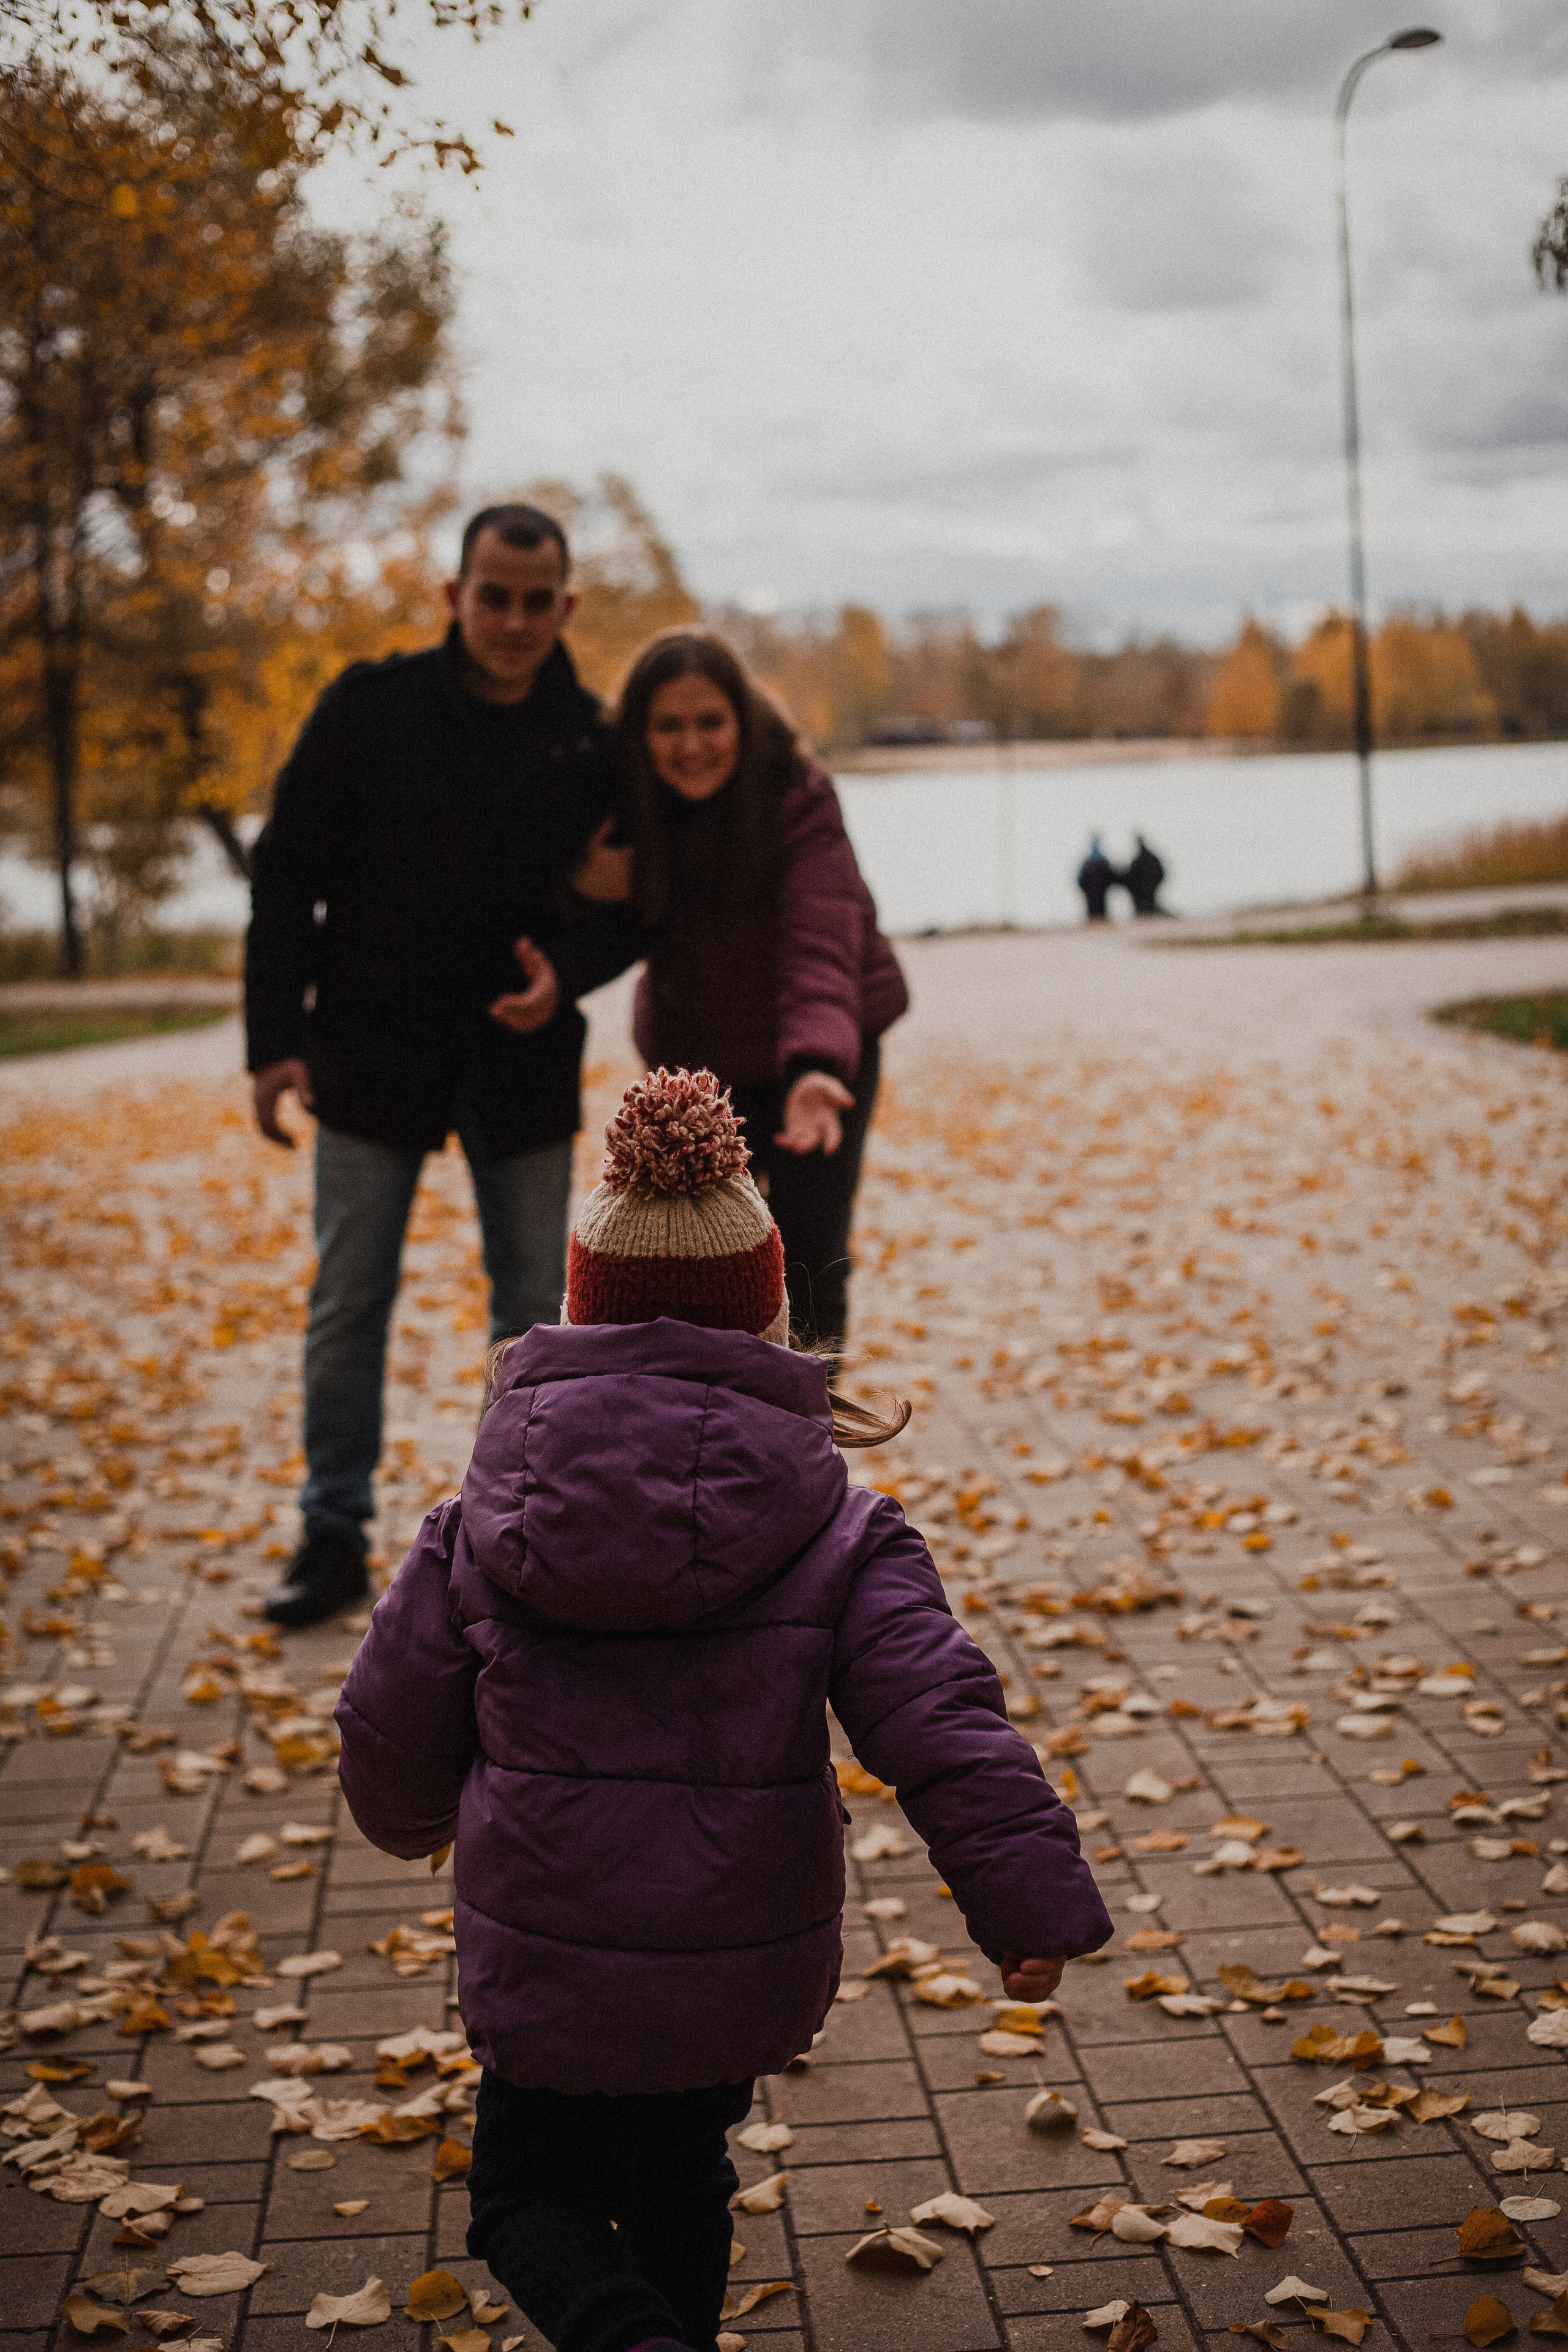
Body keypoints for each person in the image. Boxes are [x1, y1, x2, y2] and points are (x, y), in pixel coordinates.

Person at [335, 1067, 1114, 2352]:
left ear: (583, 1305)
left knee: (524, 2198)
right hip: (733, 1956)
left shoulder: (481, 1521)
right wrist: (1027, 1903)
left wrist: (409, 1817)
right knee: (681, 2177)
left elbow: (388, 1720)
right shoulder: (841, 1529)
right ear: (767, 1312)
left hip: (548, 1955)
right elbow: (942, 1720)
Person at [244, 502, 636, 1629]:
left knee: (531, 1316)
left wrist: (564, 973)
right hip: (368, 1052)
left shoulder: (596, 744)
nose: (513, 620)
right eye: (492, 595)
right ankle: (330, 1531)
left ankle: (525, 1533)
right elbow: (284, 874)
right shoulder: (369, 711)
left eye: (535, 601)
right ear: (454, 596)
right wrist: (274, 1042)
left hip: (519, 1062)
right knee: (348, 1300)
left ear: (565, 608)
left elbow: (633, 904)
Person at [611, 627, 908, 1349]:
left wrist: (813, 1066)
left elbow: (822, 939)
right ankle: (715, 1437)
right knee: (696, 1268)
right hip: (698, 1069)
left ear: (742, 719)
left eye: (710, 722)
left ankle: (805, 1446)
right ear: (639, 733)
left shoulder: (796, 793)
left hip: (816, 1064)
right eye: (668, 726)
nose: (691, 745)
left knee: (807, 1269)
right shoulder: (623, 807)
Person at [1125, 832, 1169, 916]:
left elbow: (1131, 878)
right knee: (1149, 911)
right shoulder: (1151, 858)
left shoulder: (1138, 861)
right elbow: (1161, 874)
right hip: (1149, 891)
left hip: (1144, 893)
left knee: (1145, 913)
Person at [1076, 833, 1115, 921]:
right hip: (1101, 895)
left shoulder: (1087, 863)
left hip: (1091, 897)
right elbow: (1112, 878)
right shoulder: (1104, 862)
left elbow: (1080, 880)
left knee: (1093, 918)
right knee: (1102, 918)